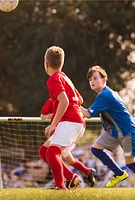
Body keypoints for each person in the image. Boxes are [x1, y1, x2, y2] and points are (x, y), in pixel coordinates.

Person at [80, 65, 135, 188]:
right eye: (90, 79)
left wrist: (71, 102)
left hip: (127, 132)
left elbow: (87, 114)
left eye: (95, 78)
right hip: (114, 132)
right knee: (95, 149)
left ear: (104, 80)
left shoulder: (105, 95)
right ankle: (119, 174)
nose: (92, 81)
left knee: (131, 164)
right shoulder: (103, 95)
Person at [39, 46, 94, 190]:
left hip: (70, 122)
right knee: (44, 152)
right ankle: (71, 178)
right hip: (76, 121)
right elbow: (80, 99)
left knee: (52, 152)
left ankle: (60, 187)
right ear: (61, 63)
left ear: (46, 64)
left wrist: (52, 125)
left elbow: (65, 101)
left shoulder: (53, 79)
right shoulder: (65, 77)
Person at [40, 98, 95, 187]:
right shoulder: (51, 101)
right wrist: (50, 116)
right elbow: (42, 116)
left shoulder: (69, 101)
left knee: (53, 154)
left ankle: (66, 180)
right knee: (65, 159)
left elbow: (81, 106)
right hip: (59, 133)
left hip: (68, 131)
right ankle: (87, 172)